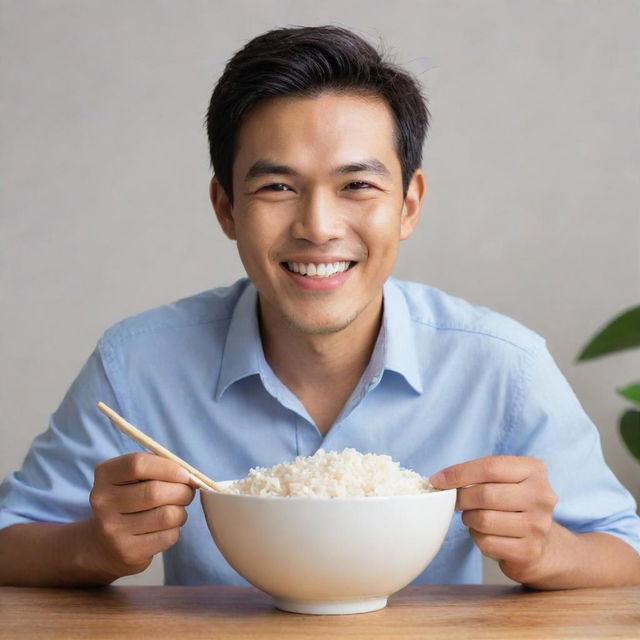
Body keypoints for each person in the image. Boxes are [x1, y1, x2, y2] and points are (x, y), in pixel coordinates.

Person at [1, 25, 639, 589]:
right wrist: (90, 547)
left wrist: (549, 551)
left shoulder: (502, 365)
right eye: (277, 186)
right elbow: (11, 538)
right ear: (226, 207)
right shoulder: (137, 364)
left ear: (409, 203)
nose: (318, 226)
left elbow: (626, 550)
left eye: (357, 185)